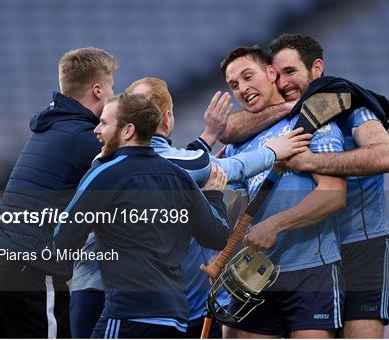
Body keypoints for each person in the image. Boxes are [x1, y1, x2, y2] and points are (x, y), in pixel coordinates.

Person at [69, 76, 310, 338]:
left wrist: (206, 140)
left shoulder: (105, 160)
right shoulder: (177, 166)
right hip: (138, 305)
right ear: (165, 118)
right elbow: (228, 168)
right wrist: (272, 151)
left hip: (95, 289)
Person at [221, 34, 389, 338]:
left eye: (292, 72)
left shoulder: (350, 107)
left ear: (317, 69)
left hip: (358, 241)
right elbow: (228, 130)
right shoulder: (286, 116)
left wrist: (309, 162)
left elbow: (385, 156)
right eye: (278, 75)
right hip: (306, 245)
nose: (284, 83)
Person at [0, 47, 117, 338]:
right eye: (112, 86)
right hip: (30, 272)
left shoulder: (48, 128)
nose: (114, 92)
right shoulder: (83, 138)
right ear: (98, 90)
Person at [53, 92, 231, 338]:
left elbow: (63, 237)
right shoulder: (179, 176)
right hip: (175, 318)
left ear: (127, 131)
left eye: (104, 123)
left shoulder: (105, 173)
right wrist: (213, 196)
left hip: (129, 313)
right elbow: (217, 236)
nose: (96, 130)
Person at [221, 45, 347, 338]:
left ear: (270, 72)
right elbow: (236, 208)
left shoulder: (310, 121)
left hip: (310, 271)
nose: (242, 88)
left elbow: (333, 193)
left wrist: (275, 225)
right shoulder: (240, 141)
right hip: (254, 272)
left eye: (248, 76)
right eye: (234, 85)